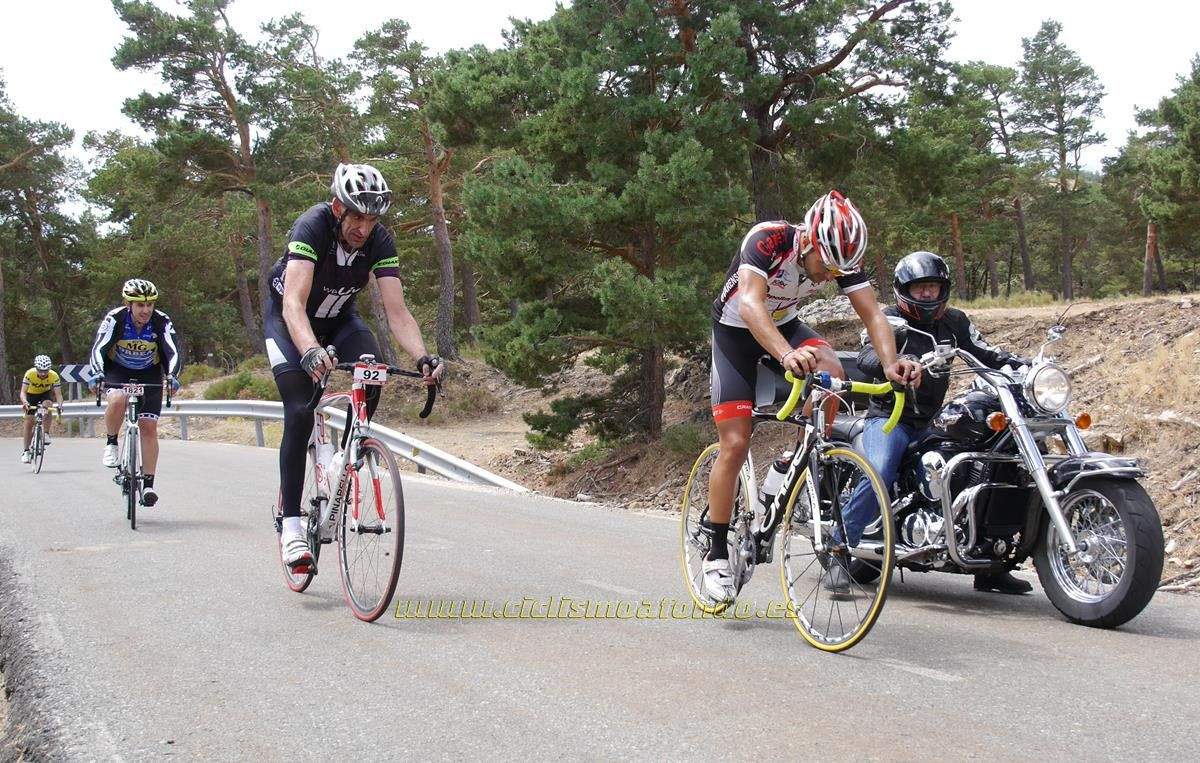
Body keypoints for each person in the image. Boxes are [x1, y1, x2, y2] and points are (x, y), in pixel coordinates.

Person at [703, 190, 922, 605]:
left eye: (839, 270)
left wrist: (892, 364)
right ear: (809, 242)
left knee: (833, 373)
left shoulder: (838, 257)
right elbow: (750, 303)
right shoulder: (769, 239)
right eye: (825, 266)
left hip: (784, 326)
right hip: (736, 332)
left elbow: (873, 314)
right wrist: (785, 354)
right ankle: (715, 551)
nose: (827, 278)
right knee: (735, 443)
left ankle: (791, 463)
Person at [268, 162, 444, 572]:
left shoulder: (380, 240)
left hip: (341, 320)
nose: (364, 228)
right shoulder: (312, 226)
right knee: (298, 410)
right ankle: (292, 527)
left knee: (373, 369)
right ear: (337, 208)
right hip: (289, 322)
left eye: (372, 219)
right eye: (357, 217)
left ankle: (342, 458)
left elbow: (397, 312)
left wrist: (422, 356)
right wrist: (310, 349)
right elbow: (293, 304)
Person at [828, 250, 1032, 595]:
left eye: (933, 288)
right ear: (903, 290)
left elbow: (986, 352)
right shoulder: (889, 320)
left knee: (994, 464)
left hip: (932, 420)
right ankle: (839, 549)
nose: (927, 295)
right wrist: (896, 361)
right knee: (879, 470)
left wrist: (1022, 366)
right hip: (890, 420)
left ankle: (992, 564)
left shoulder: (955, 322)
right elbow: (867, 355)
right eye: (920, 288)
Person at [88, 278, 182, 507]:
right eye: (140, 305)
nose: (146, 310)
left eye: (150, 304)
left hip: (149, 373)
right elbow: (98, 348)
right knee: (118, 398)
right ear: (128, 304)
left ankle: (148, 485)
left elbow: (173, 351)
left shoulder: (161, 321)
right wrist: (98, 373)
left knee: (148, 427)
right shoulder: (115, 318)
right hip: (117, 371)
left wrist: (172, 376)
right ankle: (111, 442)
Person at [19, 354, 63, 462]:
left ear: (49, 369)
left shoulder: (54, 375)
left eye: (45, 370)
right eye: (40, 371)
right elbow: (23, 392)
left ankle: (46, 433)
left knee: (48, 405)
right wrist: (25, 402)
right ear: (36, 368)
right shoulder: (30, 373)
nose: (43, 373)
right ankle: (26, 451)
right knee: (29, 422)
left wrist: (60, 405)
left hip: (45, 394)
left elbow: (58, 395)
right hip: (30, 395)